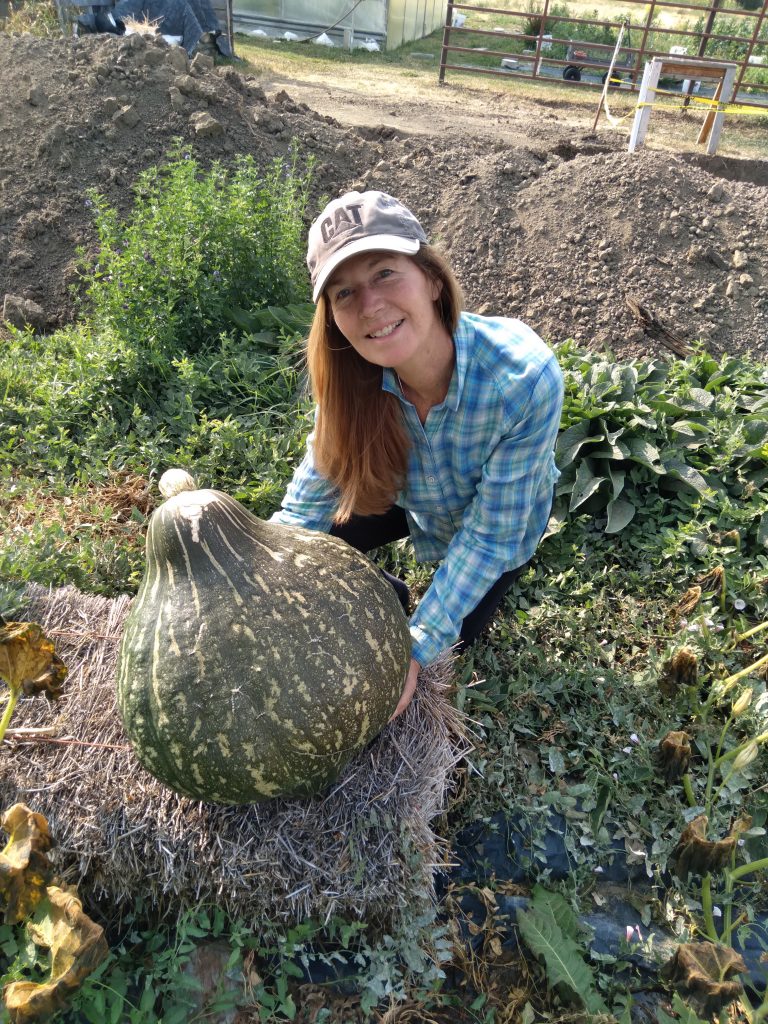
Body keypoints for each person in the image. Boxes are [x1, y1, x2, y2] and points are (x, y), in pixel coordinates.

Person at [271, 190, 564, 719]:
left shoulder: (524, 379)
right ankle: (389, 592)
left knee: (457, 639)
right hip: (406, 495)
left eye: (385, 273)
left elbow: (490, 535)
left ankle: (408, 607)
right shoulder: (349, 376)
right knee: (306, 559)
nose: (369, 306)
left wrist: (415, 645)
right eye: (343, 293)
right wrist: (261, 575)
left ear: (430, 277)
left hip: (492, 523)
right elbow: (310, 498)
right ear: (332, 316)